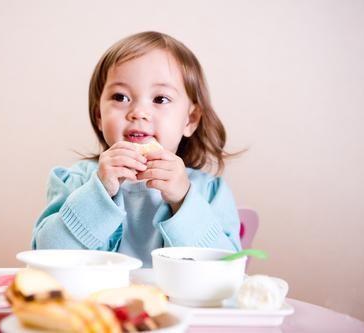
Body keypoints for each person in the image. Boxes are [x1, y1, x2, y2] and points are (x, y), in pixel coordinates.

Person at [32, 31, 241, 267]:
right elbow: (45, 256)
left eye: (160, 99)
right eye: (120, 97)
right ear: (99, 115)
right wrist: (99, 192)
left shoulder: (210, 191)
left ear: (190, 120)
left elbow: (229, 268)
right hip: (93, 303)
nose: (138, 112)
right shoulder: (76, 181)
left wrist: (184, 201)